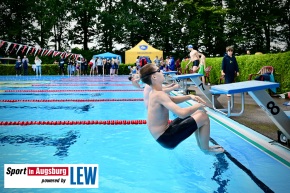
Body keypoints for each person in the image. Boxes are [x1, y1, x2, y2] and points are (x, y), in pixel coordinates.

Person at [139, 64, 224, 153]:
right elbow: (182, 113)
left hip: (163, 135)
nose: (162, 72)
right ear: (154, 77)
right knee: (203, 117)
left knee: (197, 114)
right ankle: (206, 149)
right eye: (159, 70)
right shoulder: (159, 94)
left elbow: (172, 100)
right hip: (166, 138)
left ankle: (202, 146)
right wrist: (198, 105)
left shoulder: (155, 93)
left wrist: (190, 96)